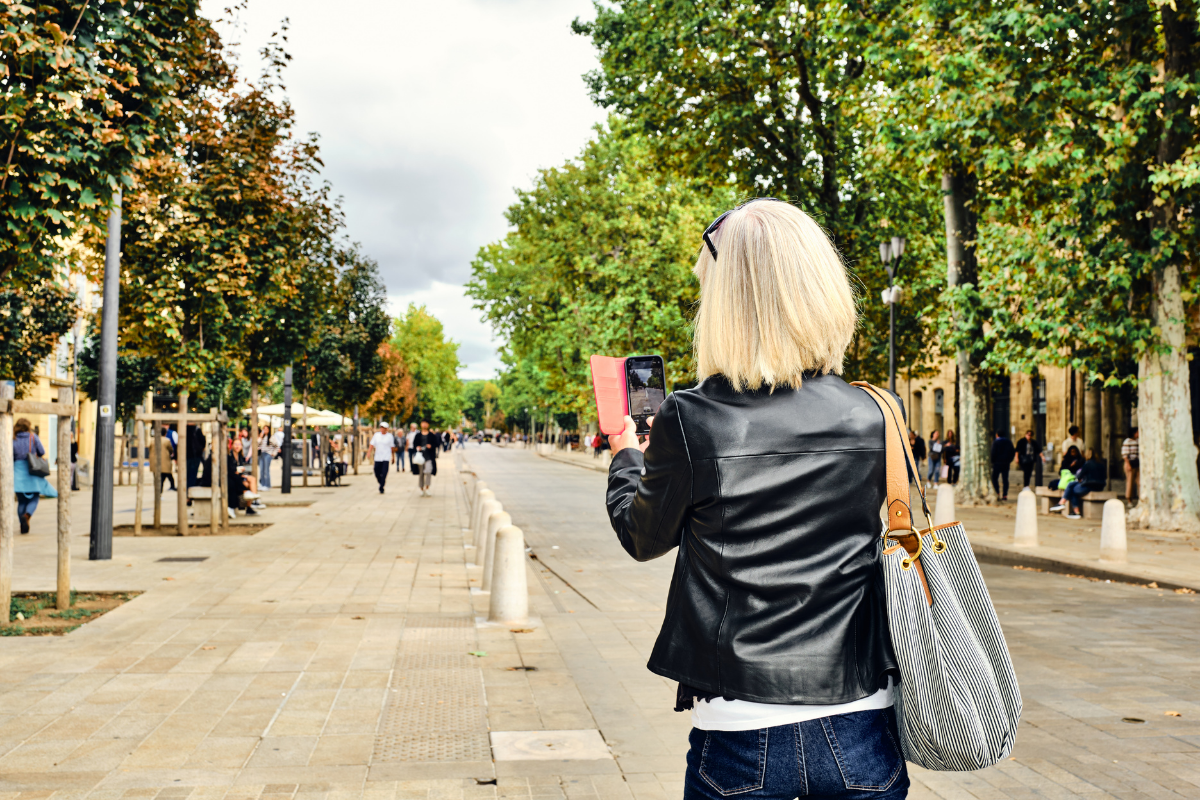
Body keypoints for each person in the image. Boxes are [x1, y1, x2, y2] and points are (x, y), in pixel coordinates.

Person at [606, 200, 908, 799]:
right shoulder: (877, 410)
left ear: (725, 305)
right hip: (863, 719)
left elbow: (643, 537)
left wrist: (626, 458)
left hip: (741, 727)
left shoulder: (691, 417)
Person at [12, 418, 56, 535]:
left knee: (21, 501)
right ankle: (27, 516)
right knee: (34, 497)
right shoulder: (33, 437)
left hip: (17, 472)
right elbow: (42, 451)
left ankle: (22, 523)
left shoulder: (12, 438)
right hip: (32, 470)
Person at [1053, 448, 1106, 518]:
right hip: (1100, 486)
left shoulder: (1087, 464)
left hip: (1089, 486)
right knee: (1072, 486)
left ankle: (1067, 506)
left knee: (1071, 488)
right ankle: (1065, 505)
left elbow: (1079, 476)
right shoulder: (1101, 464)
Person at [369, 422, 397, 493]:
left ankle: (381, 486)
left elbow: (392, 447)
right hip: (378, 457)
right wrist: (369, 452)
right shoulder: (376, 435)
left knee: (384, 472)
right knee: (376, 471)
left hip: (386, 457)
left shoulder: (390, 436)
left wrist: (393, 457)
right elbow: (372, 444)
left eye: (384, 428)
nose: (382, 429)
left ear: (386, 429)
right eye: (381, 427)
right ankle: (381, 481)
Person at [413, 420, 439, 496]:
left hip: (429, 457)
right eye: (423, 423)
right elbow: (414, 444)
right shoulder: (418, 435)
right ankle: (421, 488)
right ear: (421, 424)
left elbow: (436, 444)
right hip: (420, 457)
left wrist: (431, 446)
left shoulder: (431, 435)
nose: (424, 425)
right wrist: (417, 447)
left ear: (428, 425)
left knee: (428, 471)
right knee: (421, 473)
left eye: (426, 423)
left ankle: (427, 487)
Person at [990, 430, 1016, 500]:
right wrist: (1009, 460)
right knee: (1005, 479)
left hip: (997, 463)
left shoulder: (995, 442)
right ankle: (1005, 495)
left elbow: (993, 453)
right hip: (1006, 463)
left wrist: (992, 461)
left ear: (997, 435)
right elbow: (1012, 452)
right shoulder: (1008, 442)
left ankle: (997, 492)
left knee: (994, 478)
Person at [153, 425, 176, 493]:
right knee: (166, 475)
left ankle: (159, 491)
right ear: (165, 433)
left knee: (159, 477)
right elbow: (171, 449)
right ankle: (169, 487)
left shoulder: (153, 440)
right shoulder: (167, 441)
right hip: (165, 461)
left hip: (156, 461)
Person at [1122, 428, 1139, 502]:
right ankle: (1129, 499)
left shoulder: (1138, 441)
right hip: (1130, 463)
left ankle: (1140, 497)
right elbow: (1125, 455)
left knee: (1139, 482)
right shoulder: (1127, 441)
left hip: (1137, 463)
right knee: (1130, 482)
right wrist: (1128, 464)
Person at [257, 425, 275, 491]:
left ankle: (267, 485)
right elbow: (257, 443)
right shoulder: (262, 437)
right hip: (261, 454)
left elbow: (277, 446)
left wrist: (273, 453)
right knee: (261, 470)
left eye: (266, 429)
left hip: (268, 454)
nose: (265, 430)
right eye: (264, 429)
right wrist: (260, 437)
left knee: (266, 471)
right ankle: (262, 484)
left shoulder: (271, 437)